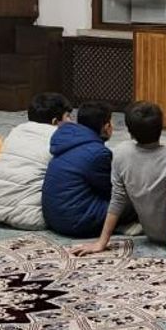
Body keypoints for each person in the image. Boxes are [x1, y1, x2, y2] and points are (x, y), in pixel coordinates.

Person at [73, 101, 166, 273]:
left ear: (130, 132)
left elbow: (117, 199)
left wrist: (101, 242)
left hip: (151, 231)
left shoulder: (120, 152)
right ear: (161, 126)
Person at [0, 92, 71, 230]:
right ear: (55, 121)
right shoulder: (59, 138)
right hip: (28, 216)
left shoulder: (16, 131)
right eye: (68, 116)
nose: (71, 121)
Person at [42, 101, 122, 239]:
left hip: (53, 218)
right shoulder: (97, 153)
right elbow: (111, 190)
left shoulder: (67, 140)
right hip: (77, 222)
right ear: (106, 126)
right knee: (131, 199)